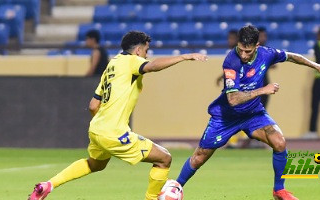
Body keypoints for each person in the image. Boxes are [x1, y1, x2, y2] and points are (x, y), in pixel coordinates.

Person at [28, 31, 207, 200]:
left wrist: (104, 127)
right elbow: (152, 67)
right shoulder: (131, 61)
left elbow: (93, 105)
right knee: (164, 159)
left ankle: (48, 185)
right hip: (113, 132)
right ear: (138, 50)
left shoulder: (112, 65)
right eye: (146, 50)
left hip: (97, 128)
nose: (146, 55)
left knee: (95, 164)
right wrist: (184, 56)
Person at [176, 25, 320, 200]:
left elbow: (292, 56)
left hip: (253, 114)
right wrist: (262, 90)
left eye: (247, 51)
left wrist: (316, 65)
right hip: (227, 117)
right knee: (200, 157)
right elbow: (233, 99)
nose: (243, 55)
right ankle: (176, 187)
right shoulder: (231, 60)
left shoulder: (267, 53)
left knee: (279, 142)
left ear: (257, 46)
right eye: (240, 49)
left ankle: (279, 190)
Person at [258, 27, 277, 108]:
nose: (263, 38)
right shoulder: (251, 51)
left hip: (265, 85)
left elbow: (274, 64)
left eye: (264, 36)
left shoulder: (267, 51)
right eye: (261, 36)